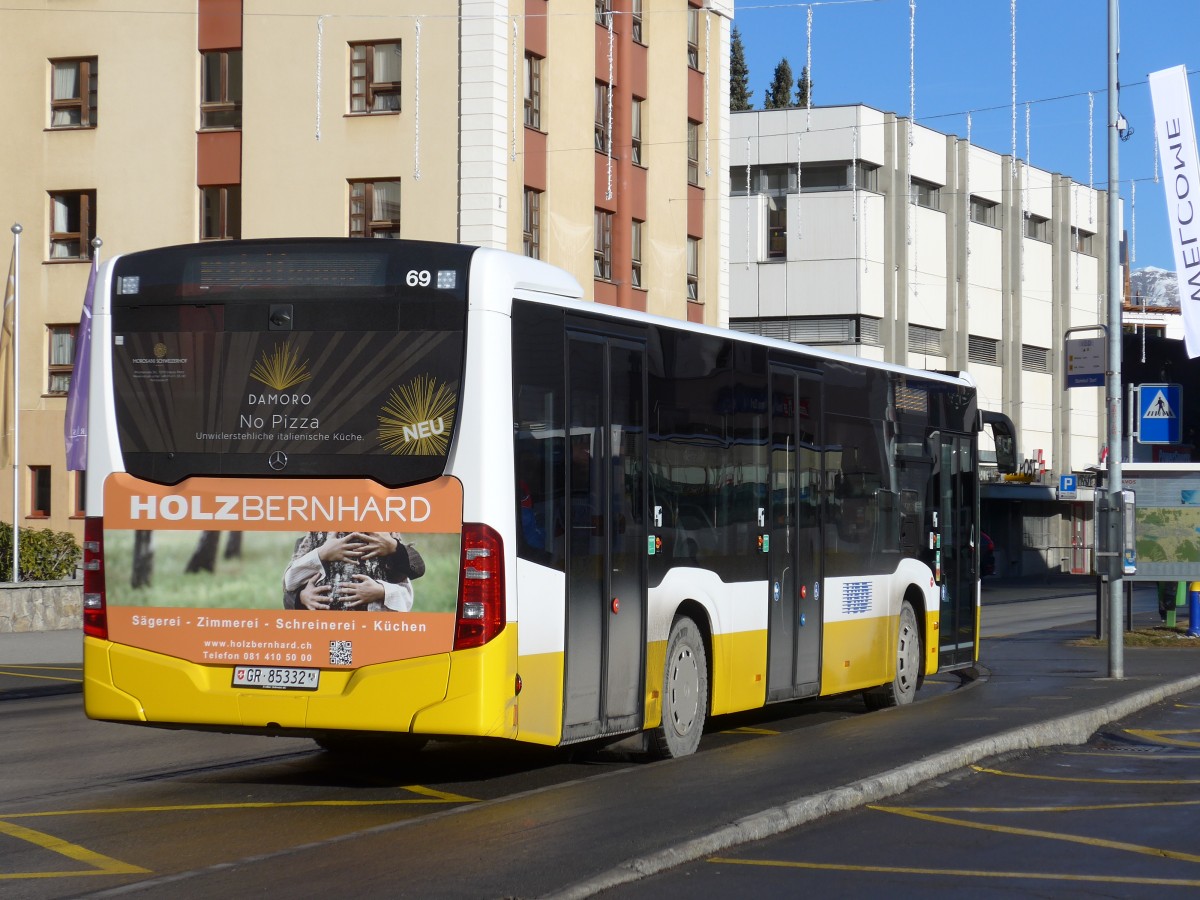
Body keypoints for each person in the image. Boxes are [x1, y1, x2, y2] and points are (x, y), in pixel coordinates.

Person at [282, 532, 423, 612]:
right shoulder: (314, 536)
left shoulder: (383, 537)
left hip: (372, 631)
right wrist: (301, 597)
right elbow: (288, 587)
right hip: (323, 627)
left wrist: (382, 591)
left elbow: (406, 593)